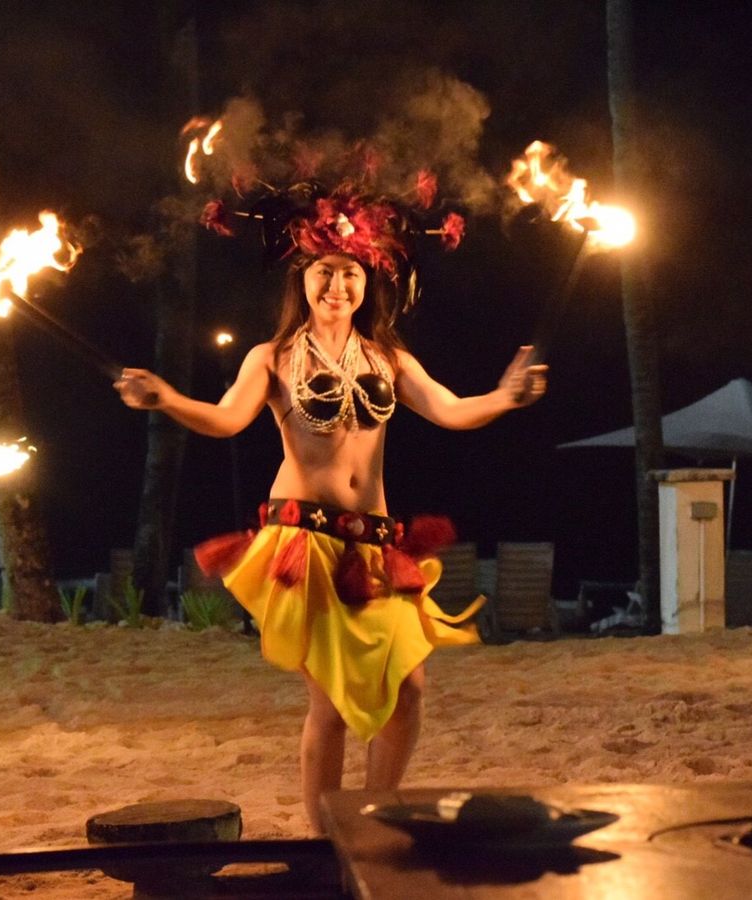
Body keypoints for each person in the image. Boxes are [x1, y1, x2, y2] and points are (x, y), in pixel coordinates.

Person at [116, 195, 547, 831]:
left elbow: (453, 410)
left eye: (350, 272)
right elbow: (227, 419)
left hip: (375, 548)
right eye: (324, 271)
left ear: (368, 282)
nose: (337, 285)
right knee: (331, 704)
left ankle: (373, 818)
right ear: (302, 279)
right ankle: (325, 840)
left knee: (409, 689)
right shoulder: (271, 356)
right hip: (305, 542)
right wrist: (168, 399)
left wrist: (506, 397)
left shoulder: (388, 358)